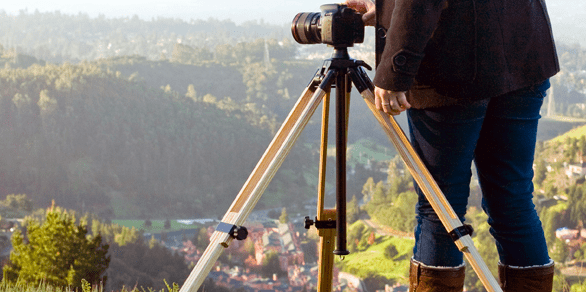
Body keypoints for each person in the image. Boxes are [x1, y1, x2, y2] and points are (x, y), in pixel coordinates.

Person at [344, 0, 559, 291]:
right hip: (522, 52)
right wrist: (386, 12)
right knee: (514, 202)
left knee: (440, 209)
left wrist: (396, 67)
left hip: (451, 66)